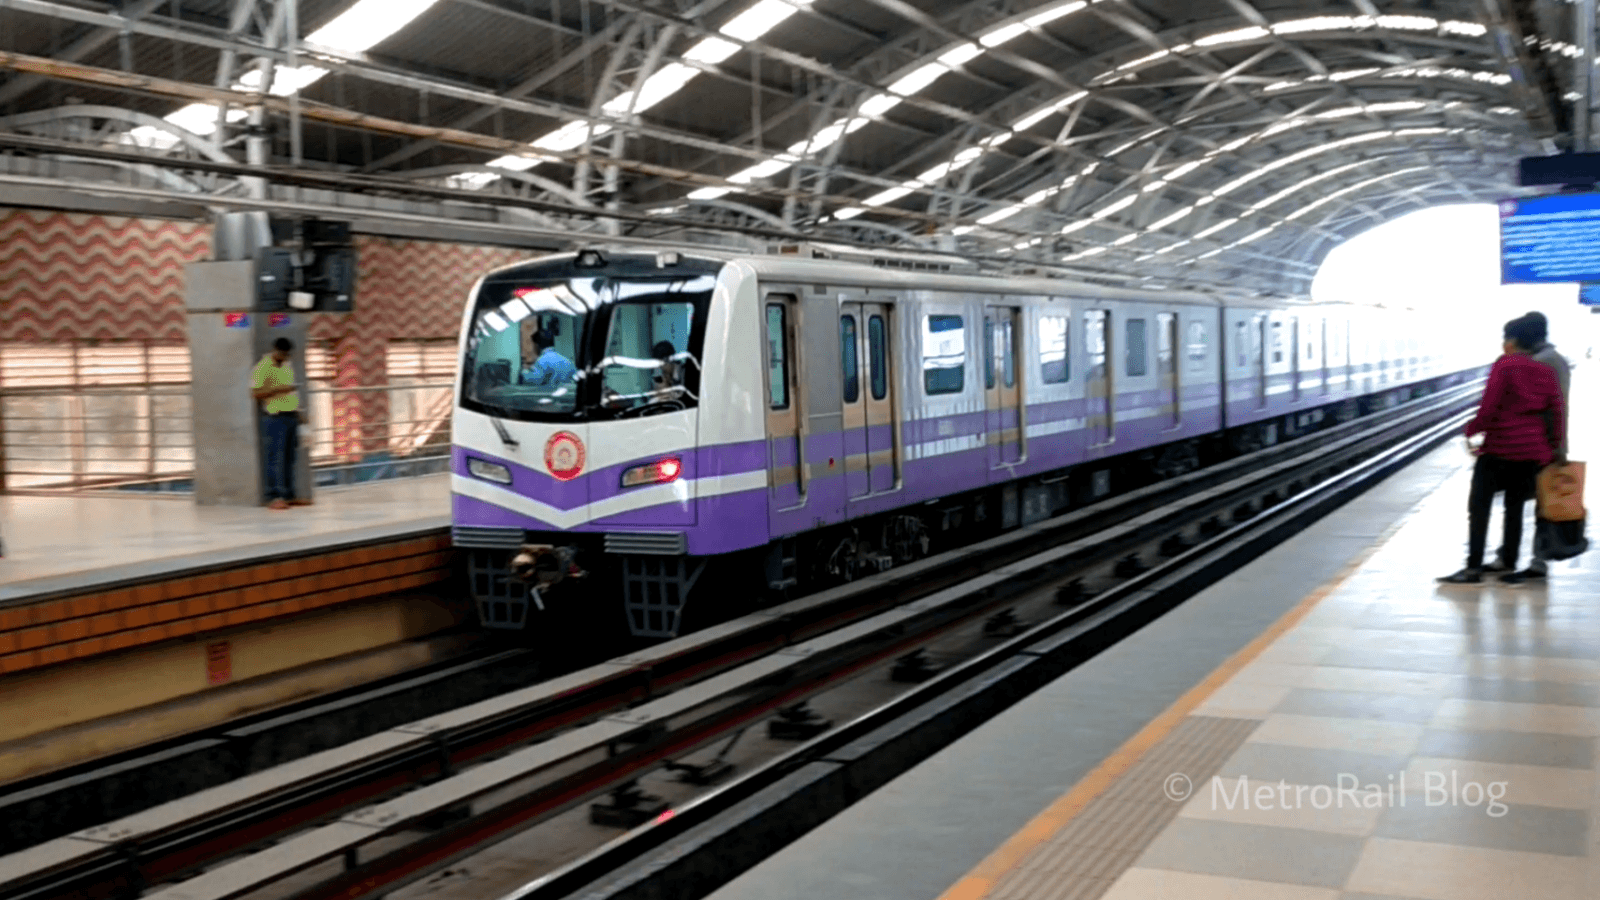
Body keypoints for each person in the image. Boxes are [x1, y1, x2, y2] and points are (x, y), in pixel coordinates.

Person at [1439, 316, 1565, 584]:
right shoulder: (1545, 371)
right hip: (1534, 453)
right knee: (1515, 506)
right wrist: (1554, 446)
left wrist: (1471, 430)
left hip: (1501, 450)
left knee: (1479, 507)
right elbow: (1556, 411)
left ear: (1513, 341)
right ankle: (1508, 561)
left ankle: (1473, 568)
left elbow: (1490, 405)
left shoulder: (1505, 365)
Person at [1502, 311, 1573, 583]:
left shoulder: (1546, 361)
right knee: (1528, 502)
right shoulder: (1549, 359)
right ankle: (1523, 558)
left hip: (1541, 445)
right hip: (1541, 443)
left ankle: (1537, 561)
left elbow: (1556, 407)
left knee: (1540, 504)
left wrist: (1558, 447)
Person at [251, 337, 307, 511]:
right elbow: (255, 392)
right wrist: (278, 390)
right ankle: (273, 496)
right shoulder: (263, 367)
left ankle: (289, 495)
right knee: (275, 458)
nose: (286, 357)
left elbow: (290, 393)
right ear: (275, 350)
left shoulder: (287, 366)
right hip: (274, 418)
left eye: (287, 354)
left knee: (289, 458)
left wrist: (299, 413)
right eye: (283, 354)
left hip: (290, 416)